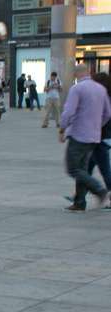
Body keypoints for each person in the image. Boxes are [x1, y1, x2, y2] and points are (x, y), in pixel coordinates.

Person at [60, 63, 111, 212]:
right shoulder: (101, 89)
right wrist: (97, 124)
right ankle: (80, 202)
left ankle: (100, 191)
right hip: (94, 136)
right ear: (89, 72)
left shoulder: (77, 89)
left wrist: (62, 129)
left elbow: (68, 112)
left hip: (79, 135)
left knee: (73, 169)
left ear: (76, 74)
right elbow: (108, 113)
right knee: (82, 168)